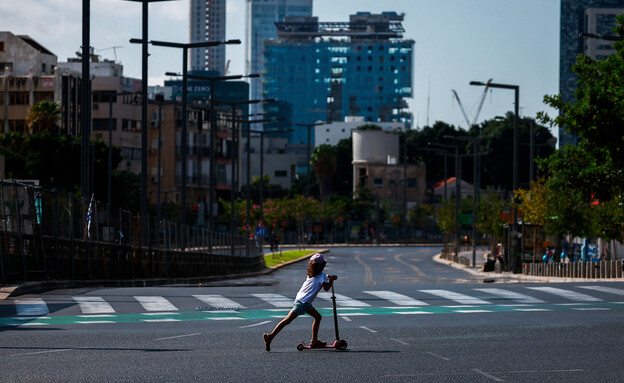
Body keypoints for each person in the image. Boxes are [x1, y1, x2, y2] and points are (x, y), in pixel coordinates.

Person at [263, 253, 337, 351]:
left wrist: (327, 277)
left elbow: (320, 280)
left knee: (317, 317)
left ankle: (314, 340)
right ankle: (270, 336)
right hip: (304, 303)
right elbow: (327, 288)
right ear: (322, 266)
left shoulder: (311, 274)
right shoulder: (321, 276)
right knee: (287, 320)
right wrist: (331, 280)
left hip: (302, 300)